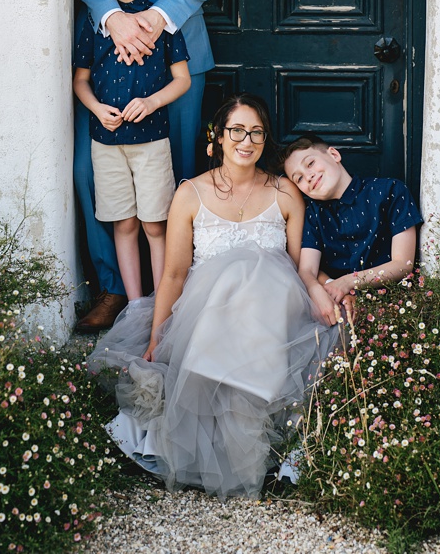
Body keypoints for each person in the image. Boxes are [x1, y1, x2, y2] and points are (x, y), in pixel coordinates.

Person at [86, 94, 342, 497]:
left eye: (256, 132)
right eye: (237, 130)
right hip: (209, 316)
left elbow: (299, 268)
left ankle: (258, 430)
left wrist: (335, 288)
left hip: (271, 317)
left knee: (255, 274)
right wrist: (158, 335)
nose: (247, 140)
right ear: (217, 138)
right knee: (226, 280)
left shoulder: (285, 193)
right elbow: (173, 273)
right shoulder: (191, 194)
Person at [72, 0, 222, 332]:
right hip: (106, 55)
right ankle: (116, 290)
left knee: (178, 176)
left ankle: (176, 294)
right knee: (91, 173)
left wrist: (154, 22)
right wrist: (114, 20)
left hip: (179, 57)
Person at [73, 0, 191, 306]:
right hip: (105, 142)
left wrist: (152, 102)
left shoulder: (162, 23)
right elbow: (80, 81)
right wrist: (95, 108)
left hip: (151, 142)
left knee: (155, 224)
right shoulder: (94, 23)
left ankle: (162, 304)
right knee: (123, 223)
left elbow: (182, 80)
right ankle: (136, 306)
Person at [281, 135, 423, 323]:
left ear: (334, 154)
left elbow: (402, 264)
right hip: (339, 308)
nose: (308, 176)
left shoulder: (390, 191)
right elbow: (307, 270)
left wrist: (347, 282)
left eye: (310, 164)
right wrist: (319, 290)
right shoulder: (314, 214)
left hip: (393, 310)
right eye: (299, 178)